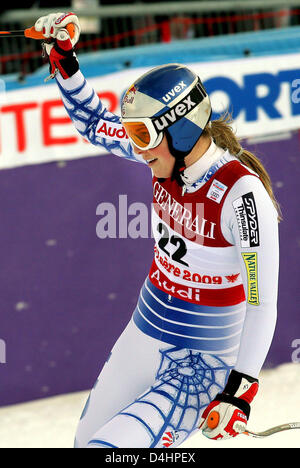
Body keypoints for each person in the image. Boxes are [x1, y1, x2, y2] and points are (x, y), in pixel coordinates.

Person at [35, 12, 280, 448]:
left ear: (182, 128)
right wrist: (65, 61)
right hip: (142, 334)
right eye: (133, 134)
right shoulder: (163, 152)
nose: (136, 146)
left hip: (199, 363)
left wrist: (239, 392)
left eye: (143, 134)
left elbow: (261, 305)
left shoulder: (241, 195)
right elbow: (94, 123)